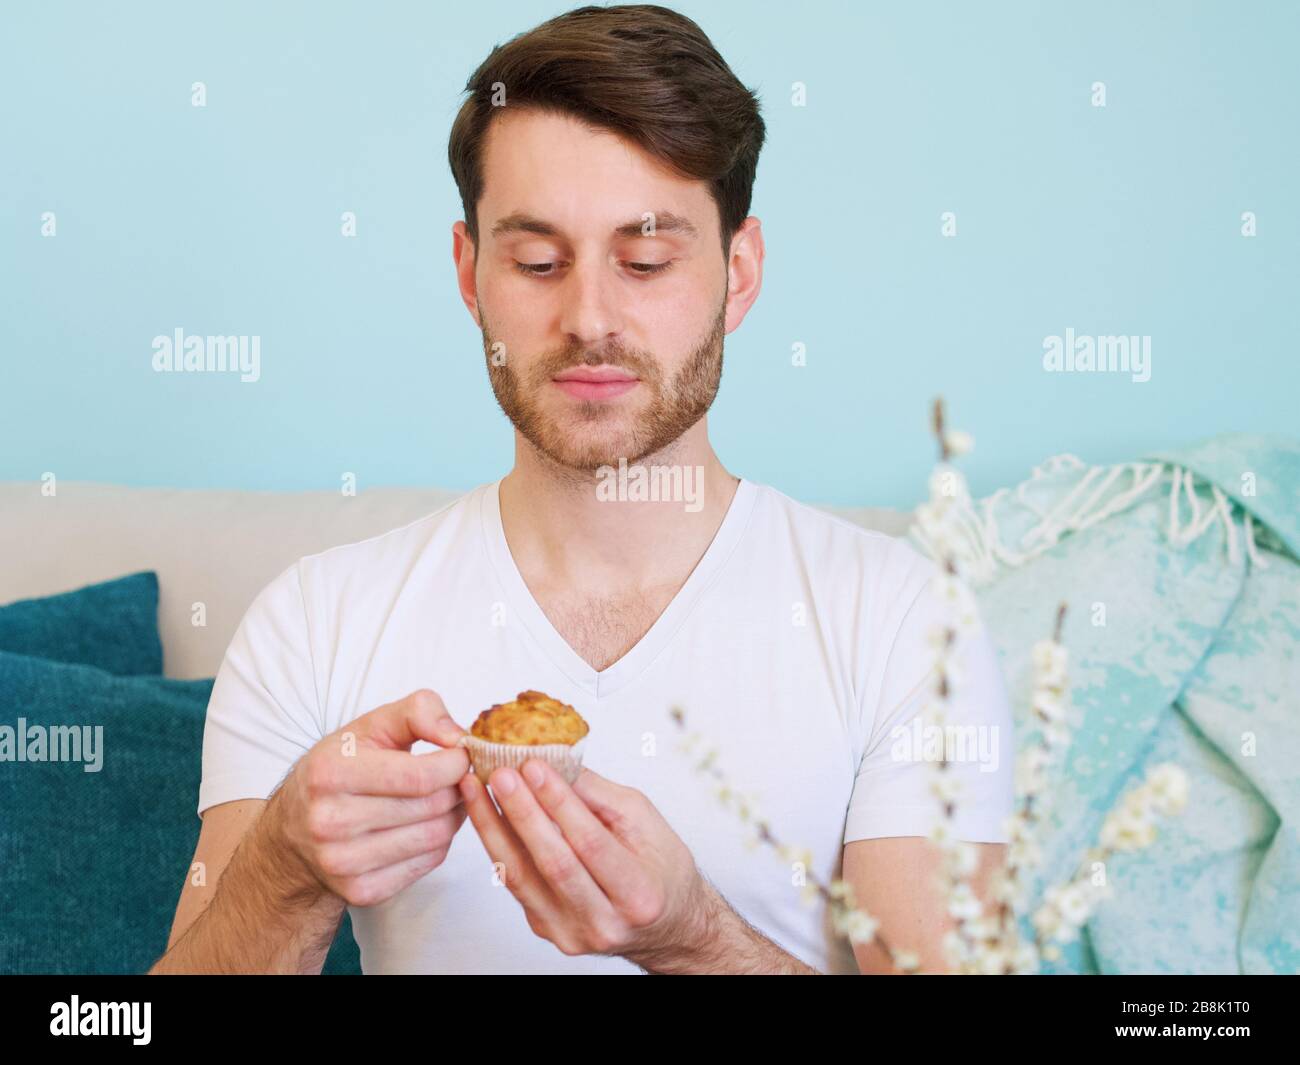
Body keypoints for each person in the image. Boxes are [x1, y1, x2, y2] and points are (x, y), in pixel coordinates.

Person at [152, 3, 1013, 975]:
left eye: (644, 260)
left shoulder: (901, 625)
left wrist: (694, 939)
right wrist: (283, 866)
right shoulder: (316, 620)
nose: (589, 316)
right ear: (471, 274)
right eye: (536, 262)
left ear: (739, 272)